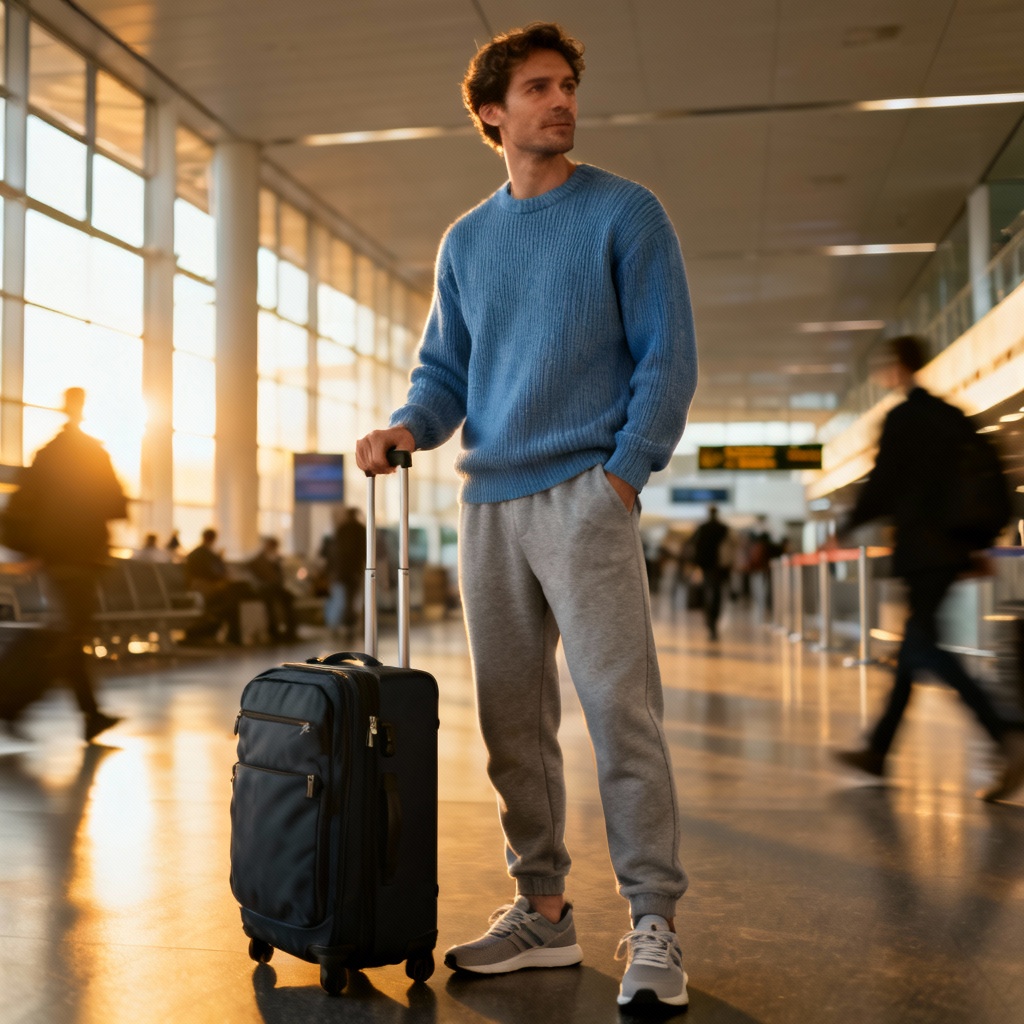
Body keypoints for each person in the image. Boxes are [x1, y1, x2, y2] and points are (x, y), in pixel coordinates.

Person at [356, 22, 697, 1011]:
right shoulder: (467, 240)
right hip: (488, 508)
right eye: (538, 88)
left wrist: (622, 478)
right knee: (513, 727)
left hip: (586, 500)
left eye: (567, 87)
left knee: (618, 717)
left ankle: (655, 923)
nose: (560, 102)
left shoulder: (626, 213)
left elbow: (666, 358)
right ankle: (543, 911)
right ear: (491, 113)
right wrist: (404, 427)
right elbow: (445, 373)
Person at [832, 334, 1024, 802]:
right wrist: (976, 543)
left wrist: (848, 524)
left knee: (925, 649)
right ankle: (879, 749)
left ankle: (1005, 735)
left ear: (896, 368)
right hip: (951, 551)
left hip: (923, 553)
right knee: (915, 647)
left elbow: (885, 483)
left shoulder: (904, 418)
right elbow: (985, 482)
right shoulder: (952, 417)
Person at [7, 387, 127, 742]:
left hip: (57, 558)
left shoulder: (47, 454)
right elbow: (115, 503)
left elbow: (26, 502)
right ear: (83, 408)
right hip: (83, 558)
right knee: (70, 637)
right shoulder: (93, 453)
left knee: (69, 635)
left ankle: (86, 714)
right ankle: (14, 704)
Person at [183, 528, 251, 645]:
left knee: (234, 596)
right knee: (234, 597)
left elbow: (217, 572)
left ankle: (232, 635)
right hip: (203, 588)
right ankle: (233, 636)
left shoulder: (206, 553)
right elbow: (211, 574)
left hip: (210, 587)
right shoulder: (200, 553)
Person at [320, 507, 367, 638]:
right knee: (350, 600)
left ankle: (336, 626)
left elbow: (333, 552)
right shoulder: (360, 529)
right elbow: (363, 551)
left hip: (339, 571)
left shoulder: (341, 529)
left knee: (339, 599)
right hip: (354, 571)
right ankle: (348, 627)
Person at [690, 506, 731, 641]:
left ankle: (710, 620)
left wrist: (696, 564)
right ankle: (714, 620)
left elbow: (694, 544)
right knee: (717, 593)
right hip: (720, 566)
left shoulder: (703, 528)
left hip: (706, 566)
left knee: (708, 591)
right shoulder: (723, 528)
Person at [246, 536, 298, 643]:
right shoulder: (257, 560)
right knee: (270, 604)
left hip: (276, 587)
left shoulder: (276, 558)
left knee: (289, 599)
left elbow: (280, 576)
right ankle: (274, 632)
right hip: (264, 588)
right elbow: (259, 574)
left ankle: (291, 631)